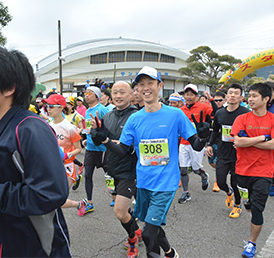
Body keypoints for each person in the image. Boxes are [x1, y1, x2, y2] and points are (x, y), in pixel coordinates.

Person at [0, 46, 71, 257]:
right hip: (2, 241)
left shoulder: (30, 128)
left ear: (8, 88)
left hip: (36, 247)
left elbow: (51, 193)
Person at [93, 66, 210, 258]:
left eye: (150, 83)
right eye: (141, 84)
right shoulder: (135, 119)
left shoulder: (175, 114)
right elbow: (122, 150)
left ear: (160, 86)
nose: (146, 88)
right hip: (143, 182)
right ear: (137, 89)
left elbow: (196, 145)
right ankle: (170, 253)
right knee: (151, 225)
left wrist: (204, 138)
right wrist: (104, 140)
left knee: (148, 234)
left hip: (166, 183)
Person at [231, 82, 274, 258]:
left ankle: (251, 244)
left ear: (266, 99)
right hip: (242, 171)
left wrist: (249, 140)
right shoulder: (242, 119)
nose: (250, 99)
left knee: (257, 209)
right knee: (248, 206)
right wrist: (262, 137)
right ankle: (248, 204)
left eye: (254, 96)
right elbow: (237, 142)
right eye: (250, 95)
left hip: (264, 172)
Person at [91, 81, 141, 258]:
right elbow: (100, 141)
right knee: (123, 211)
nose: (118, 96)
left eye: (122, 92)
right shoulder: (108, 116)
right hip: (110, 168)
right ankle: (136, 229)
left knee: (119, 211)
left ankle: (132, 239)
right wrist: (95, 134)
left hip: (130, 170)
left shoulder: (137, 116)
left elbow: (130, 146)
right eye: (115, 93)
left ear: (131, 95)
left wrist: (107, 140)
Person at [206, 84, 250, 219]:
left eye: (236, 93)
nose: (232, 95)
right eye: (230, 93)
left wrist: (244, 142)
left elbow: (250, 133)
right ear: (226, 96)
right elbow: (215, 131)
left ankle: (237, 205)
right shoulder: (220, 113)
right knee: (220, 182)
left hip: (239, 155)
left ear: (241, 97)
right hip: (223, 153)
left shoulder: (245, 114)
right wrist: (209, 144)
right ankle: (228, 192)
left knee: (235, 182)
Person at [43, 94, 87, 216]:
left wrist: (66, 155)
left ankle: (80, 204)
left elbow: (78, 149)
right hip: (52, 166)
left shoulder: (70, 128)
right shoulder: (47, 126)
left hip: (67, 167)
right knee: (50, 199)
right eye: (47, 106)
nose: (48, 109)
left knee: (58, 200)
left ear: (61, 107)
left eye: (51, 106)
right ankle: (79, 204)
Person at [178, 84, 214, 203]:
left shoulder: (204, 107)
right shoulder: (181, 110)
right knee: (183, 169)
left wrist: (212, 100)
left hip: (197, 143)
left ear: (196, 96)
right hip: (184, 143)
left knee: (195, 169)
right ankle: (186, 193)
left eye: (191, 94)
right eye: (186, 94)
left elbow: (216, 114)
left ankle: (204, 176)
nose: (188, 97)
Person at [83, 86, 109, 213]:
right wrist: (85, 139)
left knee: (110, 175)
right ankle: (90, 202)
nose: (86, 95)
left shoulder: (102, 110)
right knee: (87, 175)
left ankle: (116, 196)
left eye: (90, 93)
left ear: (97, 96)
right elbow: (89, 129)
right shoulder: (87, 111)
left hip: (103, 149)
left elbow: (108, 127)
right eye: (86, 93)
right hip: (90, 148)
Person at [205, 91, 226, 192]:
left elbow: (217, 110)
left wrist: (211, 100)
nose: (217, 102)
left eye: (219, 100)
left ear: (224, 100)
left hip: (222, 142)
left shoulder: (225, 111)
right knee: (211, 162)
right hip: (211, 141)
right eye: (215, 100)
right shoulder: (210, 111)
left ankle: (218, 182)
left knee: (218, 161)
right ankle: (223, 170)